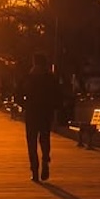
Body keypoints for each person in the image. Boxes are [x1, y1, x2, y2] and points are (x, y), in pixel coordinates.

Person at [17, 53, 61, 181]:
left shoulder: (28, 77)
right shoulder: (50, 78)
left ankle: (34, 170)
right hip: (46, 113)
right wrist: (53, 108)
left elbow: (18, 94)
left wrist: (24, 105)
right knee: (45, 138)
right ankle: (45, 159)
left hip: (31, 113)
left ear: (34, 63)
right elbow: (58, 95)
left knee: (31, 142)